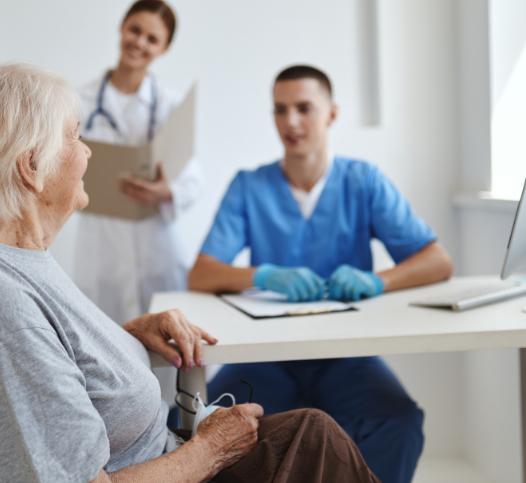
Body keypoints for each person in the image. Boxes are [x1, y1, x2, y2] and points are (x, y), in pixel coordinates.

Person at [0, 59, 382, 483]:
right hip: (178, 465)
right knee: (315, 440)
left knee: (311, 432)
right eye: (74, 135)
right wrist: (210, 450)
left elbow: (45, 365)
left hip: (164, 454)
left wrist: (124, 338)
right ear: (31, 167)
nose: (87, 152)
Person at [188, 65, 454, 483]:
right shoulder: (249, 186)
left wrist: (379, 280)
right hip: (268, 356)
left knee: (399, 422)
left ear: (331, 113)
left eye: (303, 108)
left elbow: (437, 261)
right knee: (196, 426)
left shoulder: (363, 181)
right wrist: (262, 275)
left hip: (347, 356)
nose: (290, 121)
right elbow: (201, 274)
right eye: (280, 109)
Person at [74, 0, 203, 325]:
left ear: (165, 48)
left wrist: (165, 191)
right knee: (104, 344)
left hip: (156, 245)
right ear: (122, 27)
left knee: (167, 356)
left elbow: (193, 180)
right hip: (102, 244)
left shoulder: (171, 105)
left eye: (152, 38)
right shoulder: (79, 102)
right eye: (135, 30)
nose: (139, 43)